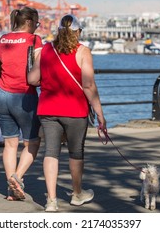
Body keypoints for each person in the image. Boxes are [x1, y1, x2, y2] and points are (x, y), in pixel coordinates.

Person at [28, 14, 106, 212]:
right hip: (75, 109)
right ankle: (77, 194)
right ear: (78, 32)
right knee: (75, 152)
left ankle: (51, 201)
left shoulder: (46, 49)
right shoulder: (83, 51)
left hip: (48, 108)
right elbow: (88, 85)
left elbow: (32, 79)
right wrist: (99, 114)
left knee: (51, 152)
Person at [0, 6, 43, 201]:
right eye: (37, 24)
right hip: (23, 95)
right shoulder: (34, 39)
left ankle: (11, 190)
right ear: (30, 22)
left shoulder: (2, 39)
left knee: (10, 144)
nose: (37, 28)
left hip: (0, 94)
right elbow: (39, 67)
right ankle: (17, 177)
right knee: (32, 142)